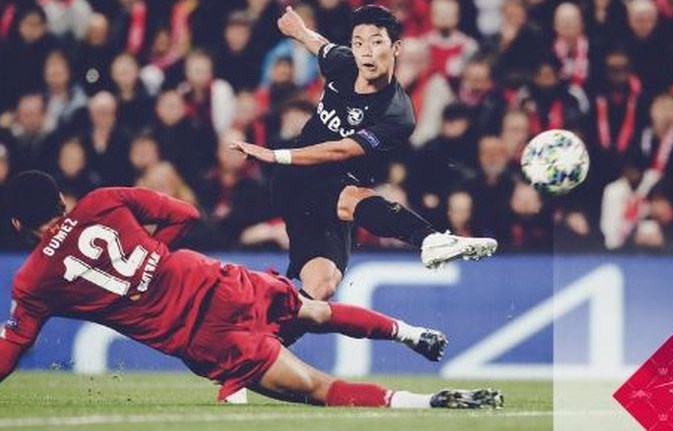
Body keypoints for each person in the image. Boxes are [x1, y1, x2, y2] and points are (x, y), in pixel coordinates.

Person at [0, 170, 503, 410]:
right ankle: (409, 332)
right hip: (217, 282)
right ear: (62, 199)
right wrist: (156, 255)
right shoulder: (103, 199)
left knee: (318, 388)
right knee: (316, 312)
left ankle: (430, 403)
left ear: (19, 222)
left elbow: (12, 349)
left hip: (203, 337)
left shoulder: (34, 281)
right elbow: (187, 214)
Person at [232, 5, 497, 301]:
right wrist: (299, 30)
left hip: (329, 179)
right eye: (358, 42)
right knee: (352, 197)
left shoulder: (397, 114)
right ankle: (429, 239)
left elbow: (340, 150)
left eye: (376, 41)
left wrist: (274, 154)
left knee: (323, 286)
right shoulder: (343, 63)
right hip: (296, 178)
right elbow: (319, 45)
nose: (365, 52)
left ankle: (275, 337)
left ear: (396, 48)